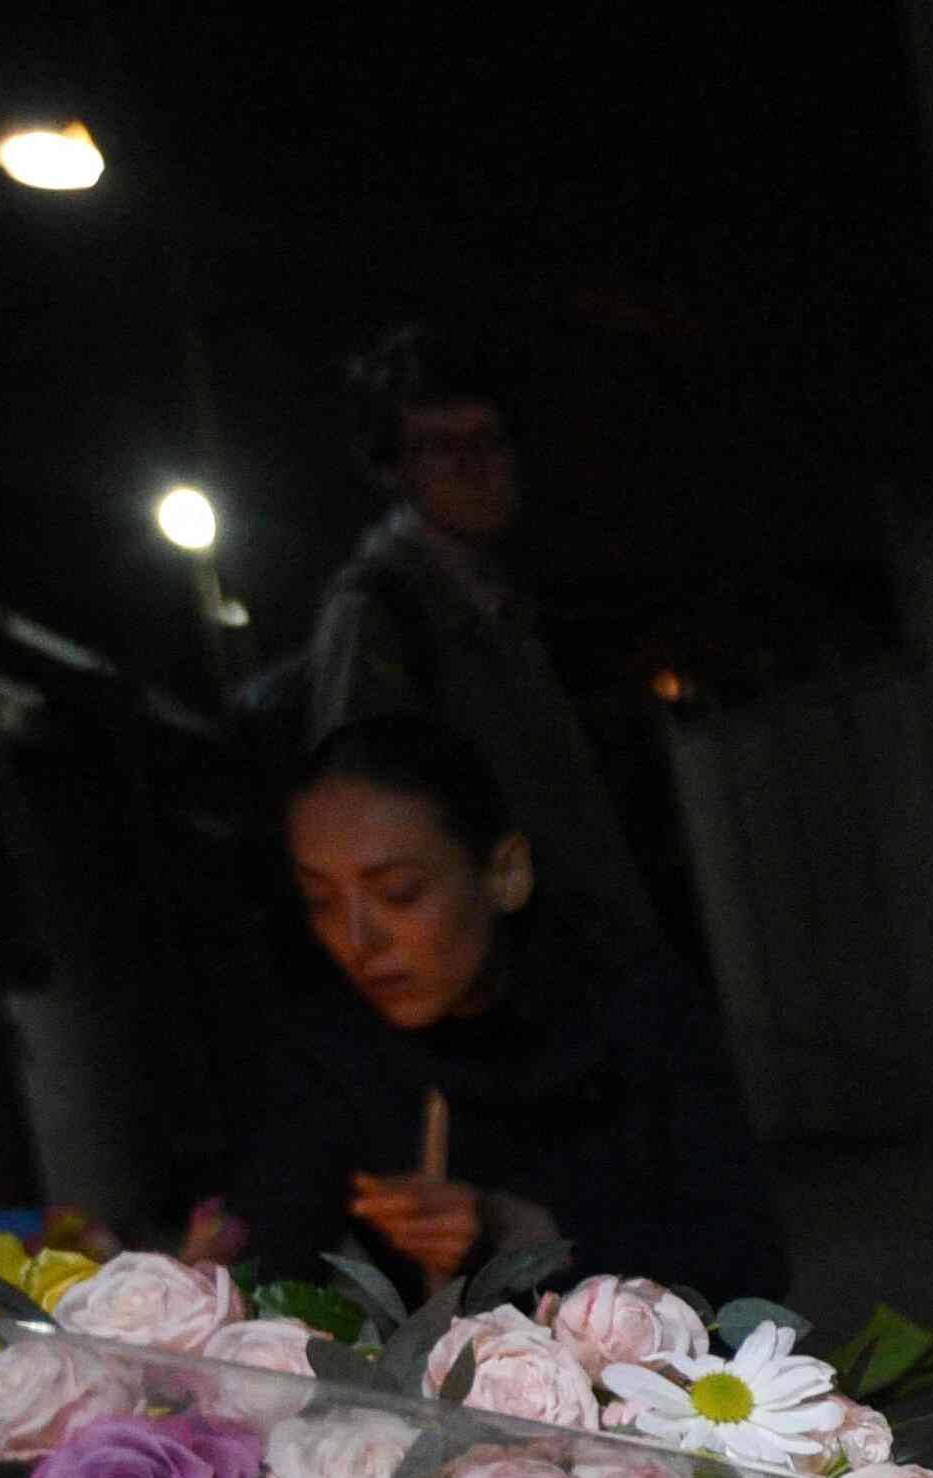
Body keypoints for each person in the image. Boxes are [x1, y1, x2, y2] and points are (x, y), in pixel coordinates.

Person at [204, 714, 785, 1312]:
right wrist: (191, 1288)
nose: (356, 938)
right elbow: (264, 1258)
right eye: (321, 901)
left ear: (506, 873)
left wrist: (522, 1234)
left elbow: (749, 1266)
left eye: (399, 892)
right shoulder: (334, 1042)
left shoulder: (627, 1001)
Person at [303, 325, 655, 953]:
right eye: (440, 446)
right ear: (396, 469)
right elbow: (372, 839)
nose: (473, 467)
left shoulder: (498, 605)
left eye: (487, 441)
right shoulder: (378, 615)